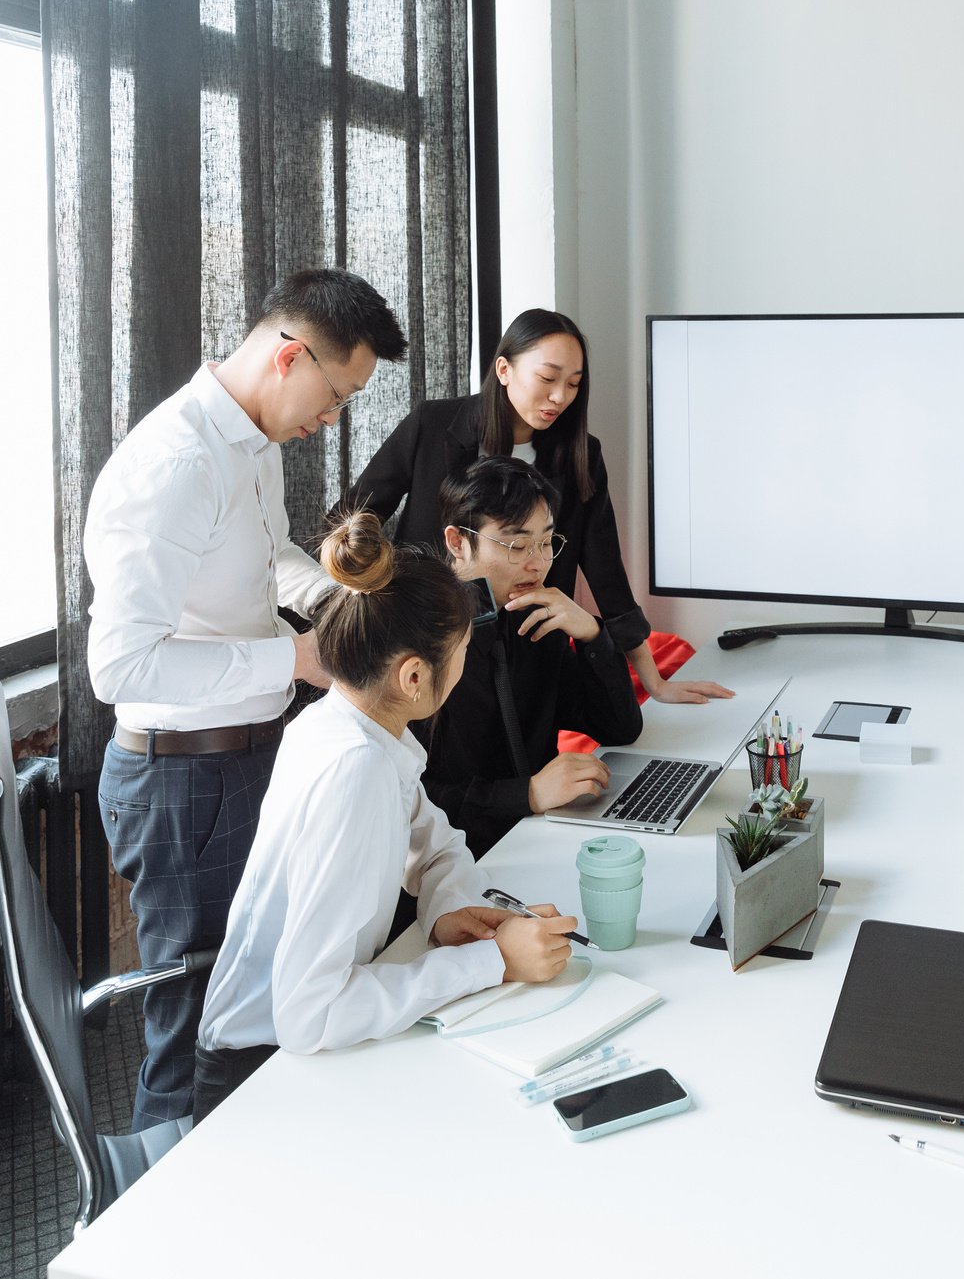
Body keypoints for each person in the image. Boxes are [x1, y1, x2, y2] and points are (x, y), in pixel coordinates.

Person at [85, 268, 406, 1128]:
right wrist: (292, 659)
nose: (331, 420)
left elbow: (269, 563)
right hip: (181, 782)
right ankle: (143, 1238)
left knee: (255, 996)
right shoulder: (176, 463)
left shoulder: (252, 442)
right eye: (335, 396)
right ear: (289, 355)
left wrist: (340, 601)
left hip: (243, 756)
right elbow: (120, 666)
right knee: (194, 1020)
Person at [193, 511, 574, 1122]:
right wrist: (492, 962)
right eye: (463, 655)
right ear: (416, 676)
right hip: (257, 1078)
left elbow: (436, 844)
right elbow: (308, 1015)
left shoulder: (354, 726)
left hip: (299, 1052)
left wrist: (452, 910)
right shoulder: (355, 769)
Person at [347, 306, 732, 706]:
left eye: (573, 384)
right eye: (547, 378)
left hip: (528, 652)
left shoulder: (579, 455)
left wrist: (655, 682)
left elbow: (606, 570)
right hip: (428, 647)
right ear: (504, 370)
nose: (559, 397)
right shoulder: (433, 424)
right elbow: (356, 517)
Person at [416, 456, 644, 858]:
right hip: (457, 862)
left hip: (545, 838)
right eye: (517, 545)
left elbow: (620, 728)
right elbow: (415, 802)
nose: (537, 564)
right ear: (457, 542)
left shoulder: (537, 617)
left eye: (546, 542)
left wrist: (593, 634)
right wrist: (529, 793)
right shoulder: (419, 639)